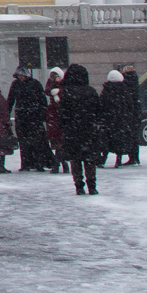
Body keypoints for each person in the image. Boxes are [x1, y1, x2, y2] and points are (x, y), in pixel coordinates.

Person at [56, 64, 105, 196]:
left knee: (75, 160)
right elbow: (99, 111)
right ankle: (92, 185)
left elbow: (62, 113)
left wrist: (65, 126)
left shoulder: (66, 93)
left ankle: (79, 185)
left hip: (72, 131)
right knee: (90, 159)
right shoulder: (91, 91)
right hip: (89, 130)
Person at [8, 68, 50, 172]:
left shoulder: (35, 84)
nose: (21, 77)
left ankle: (39, 163)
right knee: (24, 142)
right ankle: (26, 164)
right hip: (22, 117)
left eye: (22, 75)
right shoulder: (15, 84)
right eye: (19, 75)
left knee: (37, 142)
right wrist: (7, 113)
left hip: (34, 117)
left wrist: (41, 114)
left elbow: (42, 100)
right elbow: (11, 100)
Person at [101, 69, 139, 169]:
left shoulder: (106, 90)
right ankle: (118, 160)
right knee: (120, 141)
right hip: (121, 120)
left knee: (106, 141)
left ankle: (103, 159)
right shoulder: (124, 90)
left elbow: (101, 105)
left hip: (108, 120)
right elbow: (130, 106)